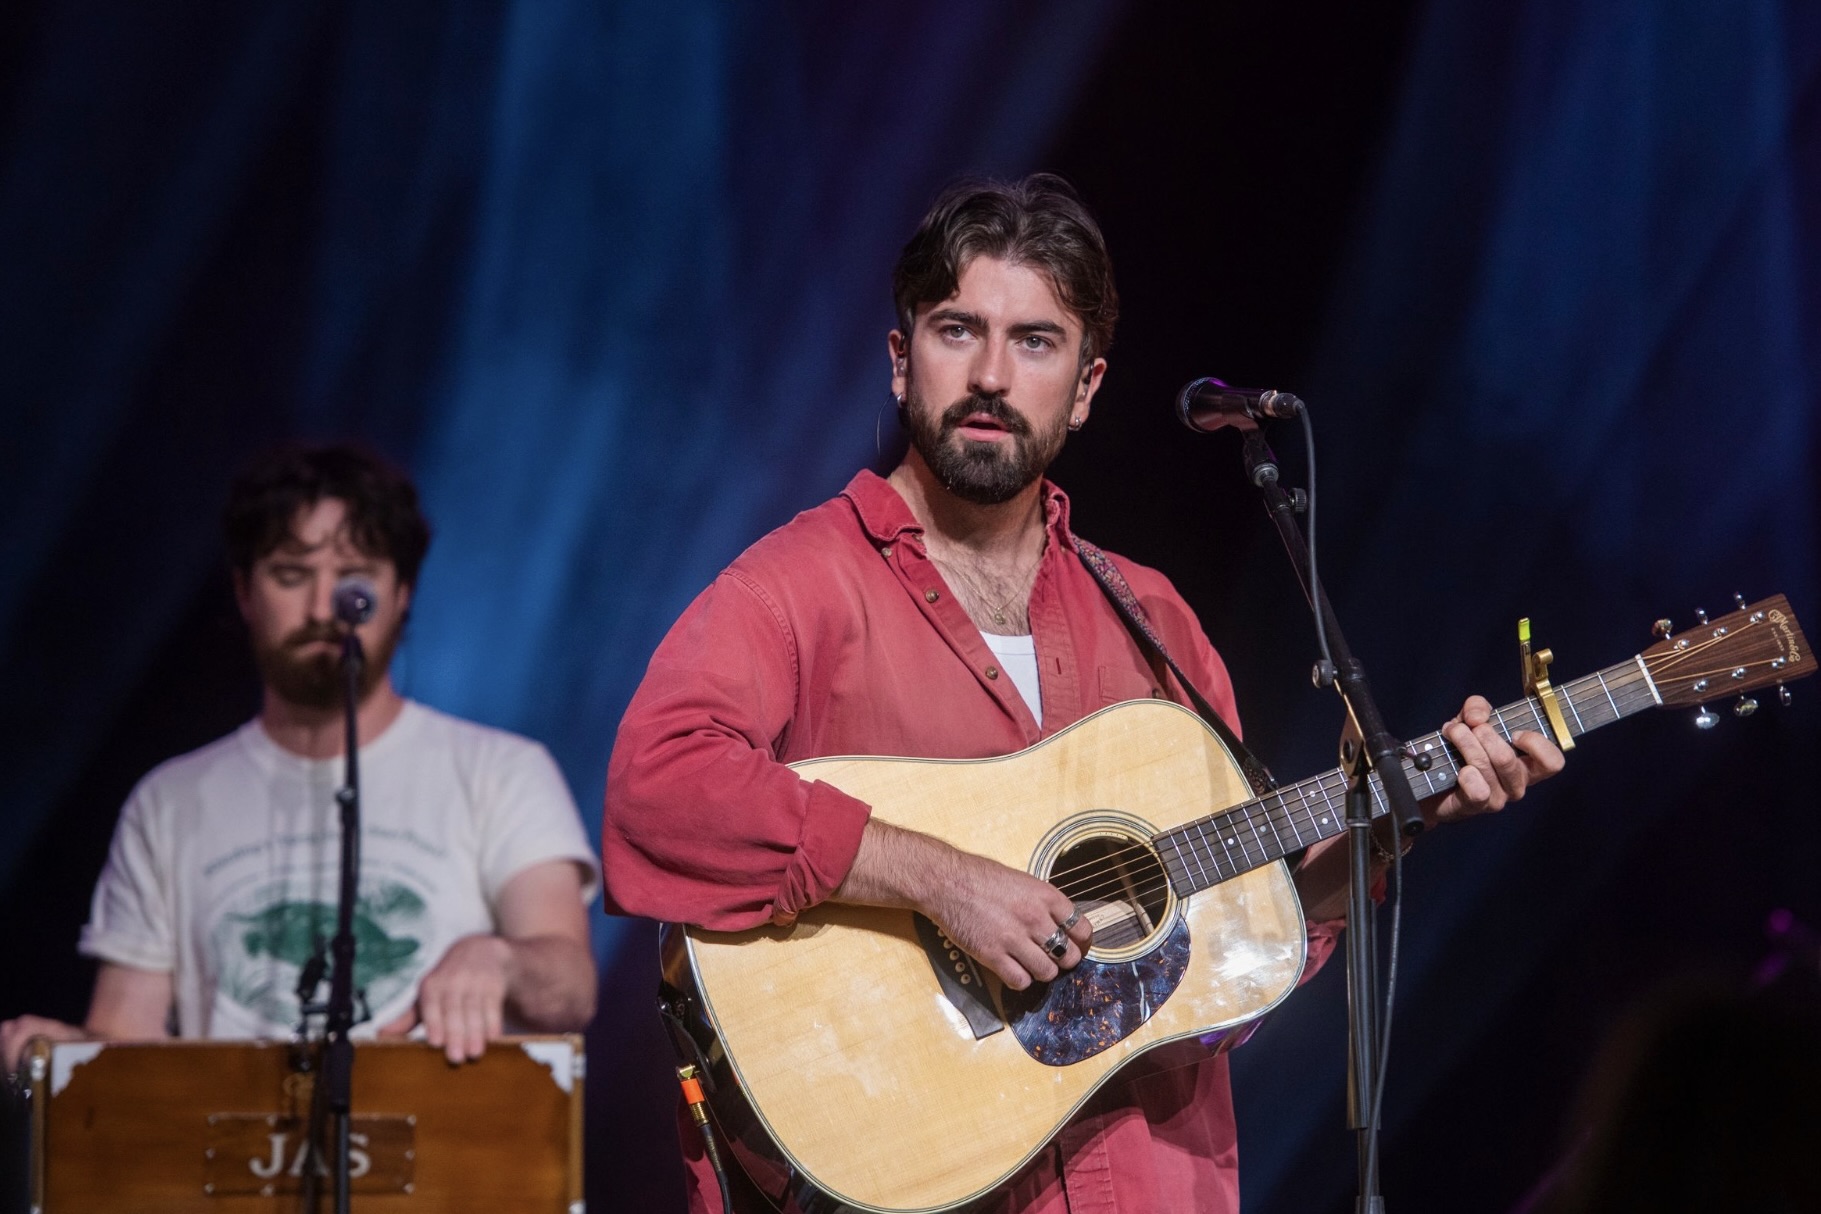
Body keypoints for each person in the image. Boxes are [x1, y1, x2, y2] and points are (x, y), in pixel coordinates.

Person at [602, 174, 1565, 1213]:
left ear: (1088, 385)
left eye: (1034, 342)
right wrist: (934, 875)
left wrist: (1388, 827)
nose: (988, 374)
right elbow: (657, 788)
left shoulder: (1152, 620)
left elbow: (1228, 962)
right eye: (957, 329)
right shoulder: (796, 585)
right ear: (899, 361)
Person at [1, 443, 599, 1071]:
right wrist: (65, 1056)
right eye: (291, 574)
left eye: (354, 579)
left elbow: (571, 989)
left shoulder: (503, 772)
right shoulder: (169, 801)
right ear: (244, 593)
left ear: (403, 594)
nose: (324, 609)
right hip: (235, 1161)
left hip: (446, 1158)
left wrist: (497, 958)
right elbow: (122, 1047)